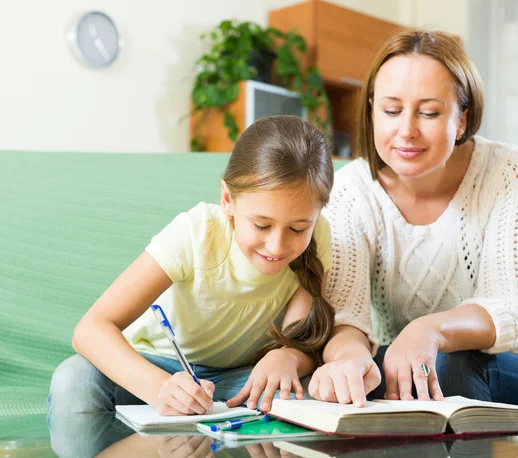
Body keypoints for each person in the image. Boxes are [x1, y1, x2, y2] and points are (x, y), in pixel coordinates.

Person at [308, 29, 518, 408]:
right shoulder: (349, 191)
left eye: (429, 112)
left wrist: (430, 329)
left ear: (462, 119)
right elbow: (348, 317)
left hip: (510, 362)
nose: (406, 131)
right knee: (339, 375)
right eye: (391, 111)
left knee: (450, 367)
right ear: (373, 109)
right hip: (402, 359)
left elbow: (507, 308)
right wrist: (349, 360)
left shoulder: (507, 170)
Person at [48, 115, 335, 416]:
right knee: (74, 381)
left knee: (306, 391)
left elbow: (303, 339)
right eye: (261, 225)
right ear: (228, 199)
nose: (277, 246)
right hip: (155, 366)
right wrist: (161, 388)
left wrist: (289, 357)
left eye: (298, 229)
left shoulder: (320, 235)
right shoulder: (197, 232)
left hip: (239, 377)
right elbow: (90, 330)